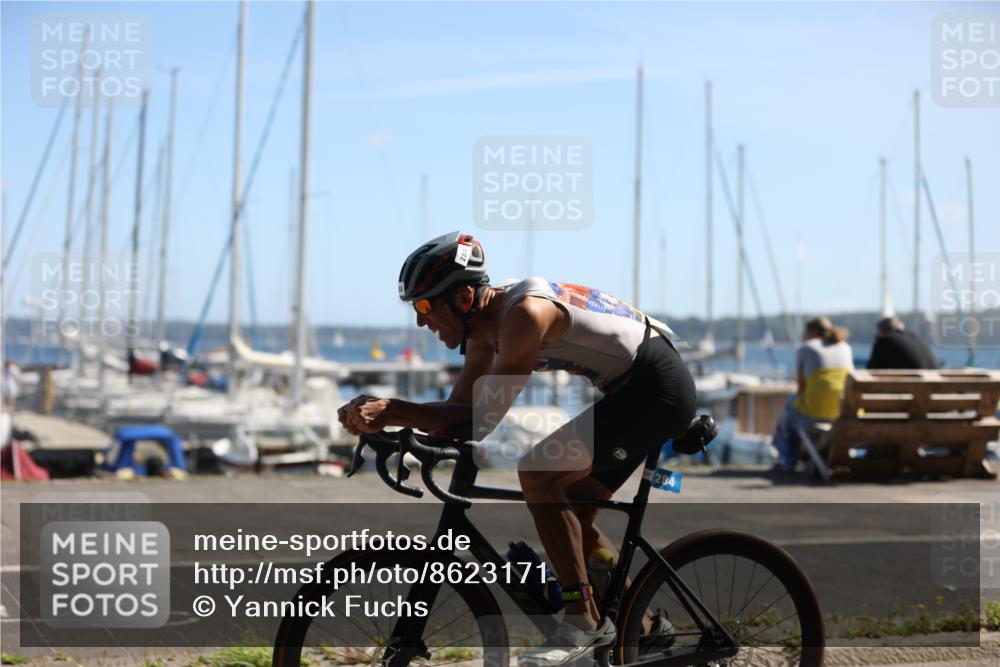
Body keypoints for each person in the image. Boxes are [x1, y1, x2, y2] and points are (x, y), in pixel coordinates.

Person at [338, 231, 695, 666]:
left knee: (538, 472)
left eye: (426, 306)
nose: (420, 320)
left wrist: (395, 409)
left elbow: (482, 419)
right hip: (628, 389)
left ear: (465, 297)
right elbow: (459, 410)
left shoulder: (524, 315)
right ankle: (644, 629)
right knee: (575, 518)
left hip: (656, 388)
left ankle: (582, 621)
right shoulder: (481, 334)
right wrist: (394, 430)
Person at [771, 316, 854, 472]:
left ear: (813, 331)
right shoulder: (845, 347)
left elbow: (801, 389)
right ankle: (805, 454)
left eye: (806, 332)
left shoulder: (807, 347)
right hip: (843, 411)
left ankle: (787, 460)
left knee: (790, 407)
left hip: (816, 412)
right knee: (792, 409)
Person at [866, 316, 939, 370]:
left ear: (882, 331)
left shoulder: (885, 340)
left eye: (877, 334)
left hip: (914, 388)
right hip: (935, 387)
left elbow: (872, 370)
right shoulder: (915, 338)